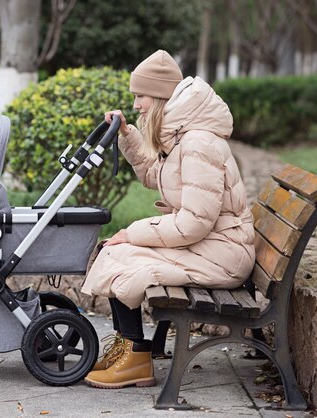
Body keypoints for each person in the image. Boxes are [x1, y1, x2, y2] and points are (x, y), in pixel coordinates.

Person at [80, 50, 255, 389]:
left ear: (160, 96)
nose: (135, 104)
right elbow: (156, 176)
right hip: (212, 245)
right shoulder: (182, 136)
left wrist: (133, 233)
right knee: (115, 251)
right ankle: (129, 348)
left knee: (124, 256)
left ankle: (135, 358)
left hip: (223, 254)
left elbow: (193, 224)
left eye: (140, 96)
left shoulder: (197, 144)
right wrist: (128, 136)